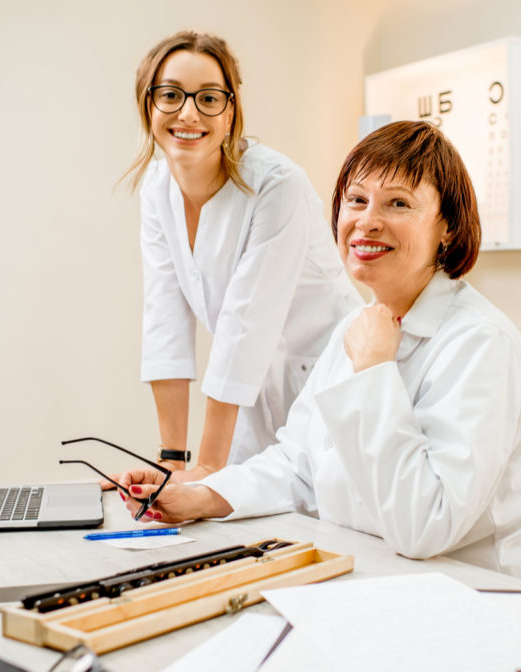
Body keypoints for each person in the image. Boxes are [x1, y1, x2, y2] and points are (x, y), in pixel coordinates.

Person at [119, 121, 521, 592]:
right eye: (356, 200)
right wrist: (200, 496)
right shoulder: (357, 328)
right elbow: (298, 466)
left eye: (398, 203)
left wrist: (375, 371)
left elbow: (426, 524)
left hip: (493, 607)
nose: (368, 220)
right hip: (386, 590)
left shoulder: (480, 343)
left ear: (448, 228)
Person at [122, 31, 361, 481]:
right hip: (248, 393)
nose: (188, 113)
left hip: (330, 380)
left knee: (323, 516)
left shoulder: (276, 184)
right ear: (147, 104)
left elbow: (243, 324)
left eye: (209, 98)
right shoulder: (157, 188)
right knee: (245, 518)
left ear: (230, 112)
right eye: (170, 95)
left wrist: (209, 465)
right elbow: (164, 319)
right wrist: (173, 461)